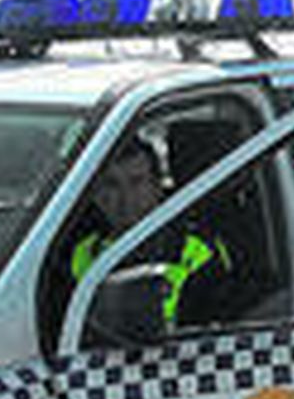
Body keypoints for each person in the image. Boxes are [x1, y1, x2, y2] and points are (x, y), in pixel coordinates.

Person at [67, 136, 236, 330]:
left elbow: (213, 331)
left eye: (137, 182)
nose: (125, 197)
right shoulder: (81, 253)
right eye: (111, 184)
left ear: (157, 187)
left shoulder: (196, 251)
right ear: (96, 195)